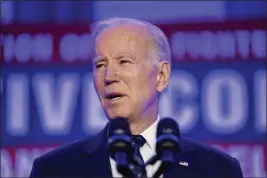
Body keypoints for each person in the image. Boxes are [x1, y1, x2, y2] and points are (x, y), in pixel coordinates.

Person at [29, 17, 243, 178]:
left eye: (124, 61)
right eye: (100, 65)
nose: (109, 76)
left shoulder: (217, 169)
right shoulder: (54, 169)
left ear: (161, 75)